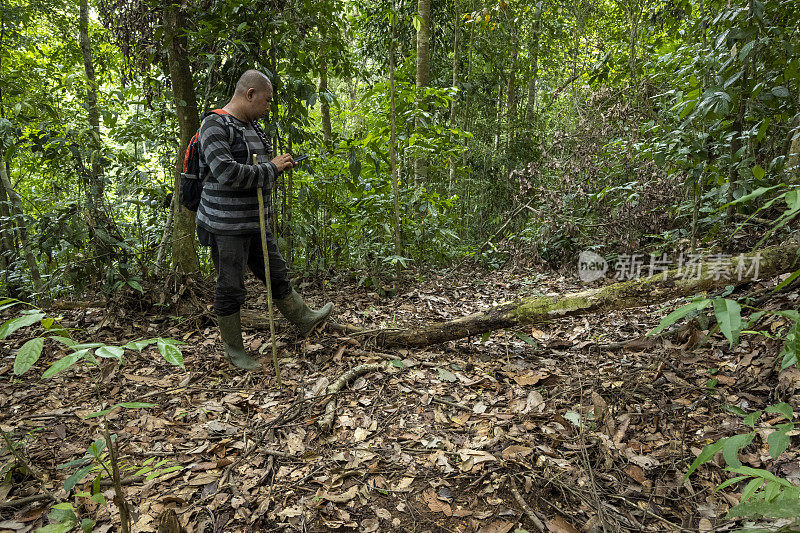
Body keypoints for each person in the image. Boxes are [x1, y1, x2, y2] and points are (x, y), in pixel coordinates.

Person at [196, 69, 333, 370]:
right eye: (267, 100)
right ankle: (235, 352)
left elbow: (260, 170)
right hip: (227, 227)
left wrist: (278, 166)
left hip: (257, 222)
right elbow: (228, 173)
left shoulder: (254, 128)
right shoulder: (214, 125)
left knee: (277, 273)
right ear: (250, 94)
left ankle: (304, 319)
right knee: (231, 287)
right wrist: (271, 168)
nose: (269, 106)